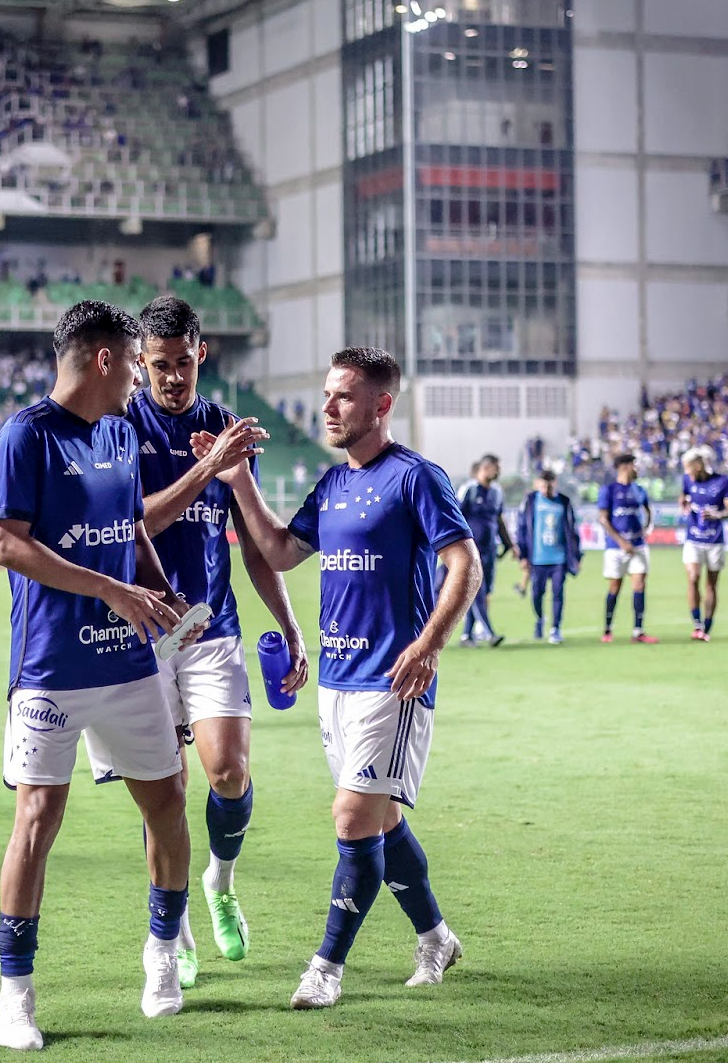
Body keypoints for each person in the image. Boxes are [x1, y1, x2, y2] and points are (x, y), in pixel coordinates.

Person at [198, 347, 479, 1010]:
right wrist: (239, 480)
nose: (327, 407)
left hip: (394, 680)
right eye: (327, 394)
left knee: (352, 816)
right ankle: (435, 936)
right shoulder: (331, 486)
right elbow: (278, 551)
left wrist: (429, 645)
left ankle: (325, 966)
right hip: (335, 682)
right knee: (378, 823)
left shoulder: (417, 478)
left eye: (343, 396)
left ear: (382, 404)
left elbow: (463, 565)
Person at [0, 301, 205, 1050]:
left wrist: (156, 587)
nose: (145, 377)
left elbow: (130, 524)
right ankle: (15, 995)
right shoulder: (27, 435)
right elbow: (5, 546)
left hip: (131, 661)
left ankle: (162, 951)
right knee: (38, 820)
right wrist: (109, 588)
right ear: (107, 360)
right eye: (137, 364)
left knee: (169, 804)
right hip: (50, 666)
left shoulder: (121, 430)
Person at [108, 295, 307, 989]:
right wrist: (207, 468)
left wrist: (287, 623)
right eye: (158, 365)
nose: (171, 377)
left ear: (202, 353)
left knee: (228, 770)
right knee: (166, 794)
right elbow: (133, 526)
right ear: (140, 361)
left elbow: (254, 540)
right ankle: (177, 923)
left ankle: (220, 878)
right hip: (144, 631)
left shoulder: (223, 423)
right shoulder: (118, 428)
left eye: (182, 362)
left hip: (214, 628)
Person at [452, 454, 513, 647]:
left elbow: (499, 520)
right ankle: (489, 632)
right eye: (497, 468)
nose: (499, 472)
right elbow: (454, 516)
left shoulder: (497, 492)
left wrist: (509, 544)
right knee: (476, 590)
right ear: (485, 468)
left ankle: (466, 636)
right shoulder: (468, 490)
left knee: (482, 592)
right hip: (471, 551)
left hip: (489, 550)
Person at [597, 454, 658, 644]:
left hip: (638, 546)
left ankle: (638, 631)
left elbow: (648, 511)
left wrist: (647, 529)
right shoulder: (609, 490)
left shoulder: (639, 490)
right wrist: (621, 541)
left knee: (639, 584)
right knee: (615, 586)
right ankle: (607, 629)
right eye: (634, 465)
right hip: (616, 548)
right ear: (624, 467)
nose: (637, 469)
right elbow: (603, 519)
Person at [515, 468, 581, 644]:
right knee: (537, 594)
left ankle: (555, 628)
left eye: (549, 486)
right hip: (537, 558)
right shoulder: (530, 501)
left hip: (559, 558)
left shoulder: (564, 502)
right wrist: (523, 555)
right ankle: (539, 618)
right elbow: (522, 529)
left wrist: (577, 556)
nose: (545, 490)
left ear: (555, 484)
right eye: (542, 486)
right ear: (538, 484)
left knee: (558, 593)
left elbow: (573, 531)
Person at [679, 447, 728, 642]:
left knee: (711, 584)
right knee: (693, 577)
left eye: (689, 468)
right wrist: (684, 505)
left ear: (699, 465)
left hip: (714, 541)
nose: (687, 473)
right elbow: (683, 496)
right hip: (693, 539)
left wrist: (718, 514)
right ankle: (696, 624)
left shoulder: (723, 482)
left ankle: (707, 626)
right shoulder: (687, 480)